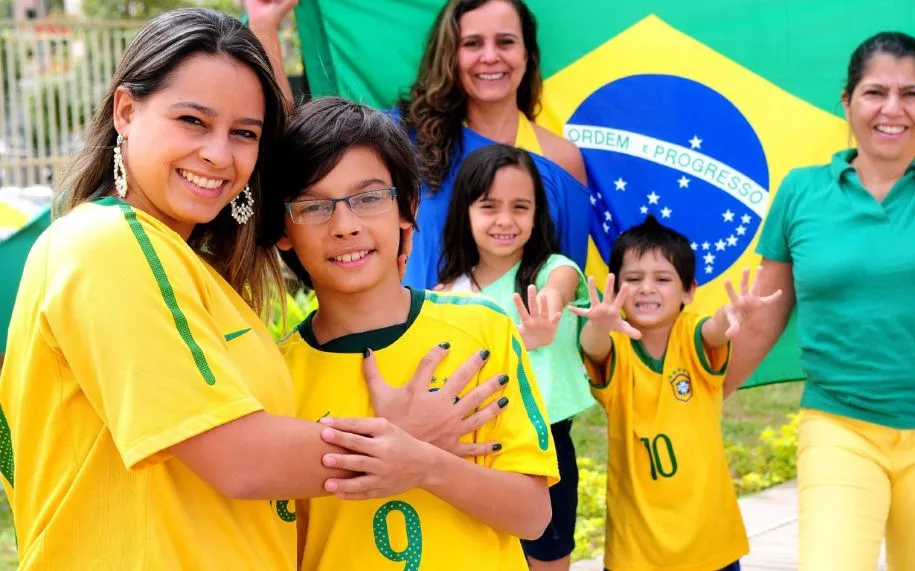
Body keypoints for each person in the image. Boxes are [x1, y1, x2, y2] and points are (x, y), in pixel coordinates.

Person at [0, 9, 503, 570]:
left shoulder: (185, 267)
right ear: (126, 110)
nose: (219, 154)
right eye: (192, 120)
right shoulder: (107, 244)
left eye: (245, 133)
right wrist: (402, 439)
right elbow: (237, 458)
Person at [724, 31, 915, 571]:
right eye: (875, 92)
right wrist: (703, 402)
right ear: (847, 102)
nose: (892, 109)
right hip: (840, 426)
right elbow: (767, 312)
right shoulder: (802, 191)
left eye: (912, 94)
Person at [262, 97, 558, 570]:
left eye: (368, 197)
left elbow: (533, 515)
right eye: (314, 206)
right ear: (282, 229)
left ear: (407, 208)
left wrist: (422, 464)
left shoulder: (483, 330)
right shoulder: (272, 375)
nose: (345, 226)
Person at [247, 0, 592, 299]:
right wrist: (265, 24)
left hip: (514, 358)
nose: (490, 57)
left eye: (505, 42)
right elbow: (296, 144)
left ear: (528, 54)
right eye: (472, 43)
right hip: (406, 350)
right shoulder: (403, 136)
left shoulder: (560, 159)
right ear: (450, 55)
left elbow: (569, 282)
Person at [573, 217, 778, 571]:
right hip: (636, 551)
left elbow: (714, 331)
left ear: (688, 291)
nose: (646, 289)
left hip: (711, 544)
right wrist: (598, 323)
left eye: (663, 279)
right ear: (615, 287)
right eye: (633, 279)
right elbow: (593, 348)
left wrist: (731, 313)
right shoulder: (615, 345)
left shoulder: (693, 334)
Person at [436, 143, 596, 565]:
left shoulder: (555, 269)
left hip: (546, 446)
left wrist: (546, 314)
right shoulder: (448, 294)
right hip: (477, 447)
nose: (505, 220)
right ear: (464, 212)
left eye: (520, 207)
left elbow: (555, 294)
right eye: (489, 206)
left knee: (548, 555)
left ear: (536, 214)